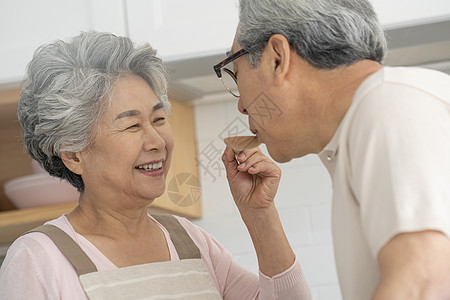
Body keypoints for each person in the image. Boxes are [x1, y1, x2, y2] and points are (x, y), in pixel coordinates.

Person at [0, 31, 312, 299]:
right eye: (132, 125)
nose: (157, 141)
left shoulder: (190, 241)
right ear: (74, 155)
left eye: (159, 119)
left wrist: (260, 215)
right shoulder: (38, 258)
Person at [213, 0, 450, 299]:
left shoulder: (388, 105)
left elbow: (425, 281)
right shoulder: (375, 115)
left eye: (236, 73)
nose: (242, 106)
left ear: (277, 58)